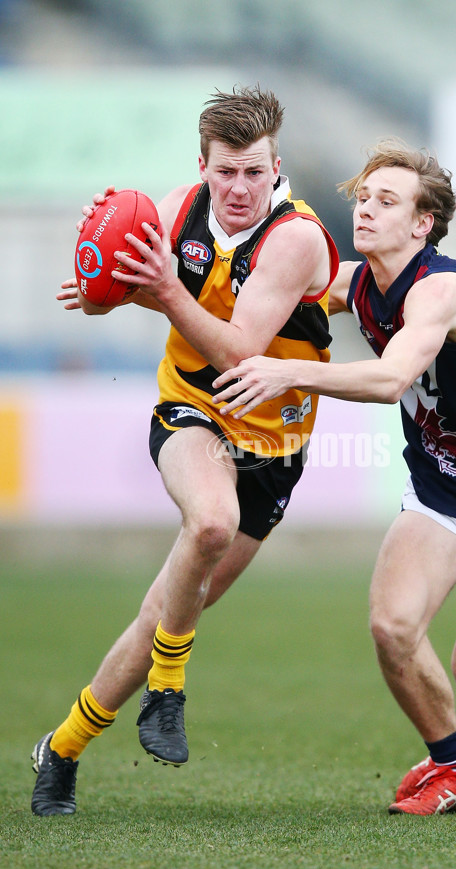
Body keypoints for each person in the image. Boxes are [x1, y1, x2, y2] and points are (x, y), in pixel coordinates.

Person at [212, 140, 456, 816]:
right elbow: (253, 295)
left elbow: (388, 379)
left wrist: (289, 371)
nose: (367, 211)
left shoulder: (441, 290)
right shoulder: (354, 286)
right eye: (364, 198)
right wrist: (153, 287)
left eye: (388, 201)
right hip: (443, 491)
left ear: (422, 224)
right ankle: (453, 767)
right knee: (392, 627)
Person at [30, 85, 339, 816]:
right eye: (224, 172)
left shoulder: (295, 238)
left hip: (275, 449)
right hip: (191, 412)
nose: (238, 189)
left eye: (253, 173)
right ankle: (168, 692)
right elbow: (101, 298)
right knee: (208, 523)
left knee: (161, 611)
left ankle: (62, 748)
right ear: (201, 165)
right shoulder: (174, 208)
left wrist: (165, 291)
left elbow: (240, 352)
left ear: (276, 167)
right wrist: (101, 252)